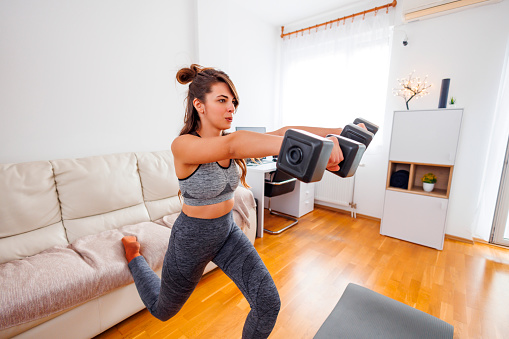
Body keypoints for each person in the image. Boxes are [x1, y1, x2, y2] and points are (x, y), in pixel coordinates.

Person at [121, 64, 349, 339]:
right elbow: (233, 146)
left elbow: (284, 131)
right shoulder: (182, 145)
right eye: (222, 100)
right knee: (162, 310)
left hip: (226, 232)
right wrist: (314, 146)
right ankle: (134, 258)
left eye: (233, 102)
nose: (231, 108)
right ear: (199, 105)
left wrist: (338, 133)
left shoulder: (231, 140)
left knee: (268, 304)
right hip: (191, 238)